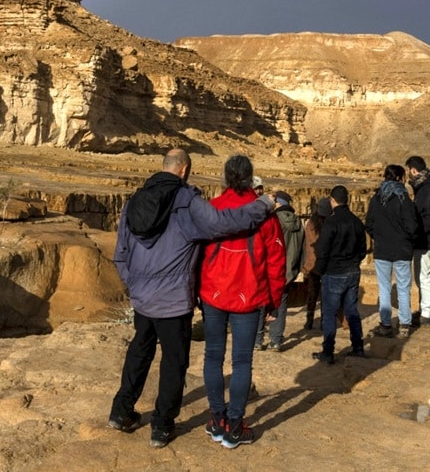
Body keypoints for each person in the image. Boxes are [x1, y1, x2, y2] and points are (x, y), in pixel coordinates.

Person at [109, 149, 275, 448]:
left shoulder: (134, 201)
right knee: (174, 361)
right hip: (173, 301)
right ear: (184, 170)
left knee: (139, 352)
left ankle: (121, 411)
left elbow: (120, 253)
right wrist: (263, 205)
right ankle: (161, 426)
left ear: (164, 168)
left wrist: (134, 285)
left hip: (143, 299)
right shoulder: (186, 202)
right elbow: (225, 222)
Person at [198, 155, 286, 449]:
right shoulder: (266, 216)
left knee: (213, 356)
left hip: (213, 294)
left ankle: (216, 418)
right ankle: (234, 426)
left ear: (225, 177)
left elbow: (196, 254)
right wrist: (274, 302)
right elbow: (275, 262)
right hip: (248, 297)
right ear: (251, 178)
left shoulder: (213, 209)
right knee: (241, 361)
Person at [311, 185, 369, 364]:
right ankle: (358, 347)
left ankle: (328, 351)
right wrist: (354, 263)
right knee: (351, 310)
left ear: (332, 200)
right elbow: (363, 250)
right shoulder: (357, 222)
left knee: (329, 312)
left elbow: (322, 250)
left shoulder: (331, 222)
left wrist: (319, 270)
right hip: (353, 271)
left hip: (334, 272)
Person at [365, 165, 418, 338]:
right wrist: (408, 239)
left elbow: (369, 224)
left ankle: (386, 325)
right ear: (399, 178)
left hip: (382, 250)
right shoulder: (404, 199)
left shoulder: (377, 198)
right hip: (402, 249)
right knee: (403, 288)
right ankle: (404, 325)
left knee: (384, 288)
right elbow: (412, 226)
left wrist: (379, 237)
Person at [255, 190, 304, 351]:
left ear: (278, 204)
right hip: (289, 271)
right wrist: (297, 269)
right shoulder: (298, 223)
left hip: (272, 269)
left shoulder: (274, 221)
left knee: (262, 302)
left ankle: (257, 340)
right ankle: (276, 340)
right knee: (281, 304)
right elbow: (303, 250)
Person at [405, 156, 430, 327]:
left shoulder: (427, 189)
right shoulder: (423, 188)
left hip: (425, 240)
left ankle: (428, 313)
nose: (407, 175)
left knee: (424, 277)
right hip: (422, 239)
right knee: (420, 277)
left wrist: (415, 233)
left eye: (408, 171)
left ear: (413, 170)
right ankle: (423, 309)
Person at [300, 198, 333, 331]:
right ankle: (323, 322)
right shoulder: (329, 224)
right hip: (325, 264)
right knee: (325, 295)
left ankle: (309, 321)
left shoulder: (310, 224)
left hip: (312, 265)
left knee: (312, 295)